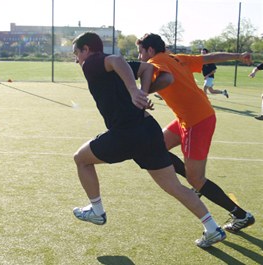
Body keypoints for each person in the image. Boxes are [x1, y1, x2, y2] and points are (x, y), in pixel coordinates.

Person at [71, 32, 226, 248]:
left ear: (86, 49)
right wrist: (143, 93)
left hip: (126, 133)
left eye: (76, 53)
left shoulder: (92, 62)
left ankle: (96, 210)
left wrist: (136, 91)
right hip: (148, 130)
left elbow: (116, 60)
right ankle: (212, 228)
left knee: (81, 159)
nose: (76, 59)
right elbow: (148, 68)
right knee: (175, 187)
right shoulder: (106, 65)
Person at [135, 33, 255, 235]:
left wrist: (143, 92)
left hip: (195, 122)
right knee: (154, 146)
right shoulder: (176, 57)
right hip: (192, 117)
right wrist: (238, 55)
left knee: (196, 179)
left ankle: (241, 215)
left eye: (141, 52)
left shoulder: (155, 61)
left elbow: (167, 78)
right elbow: (210, 58)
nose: (140, 57)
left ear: (150, 50)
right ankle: (196, 185)